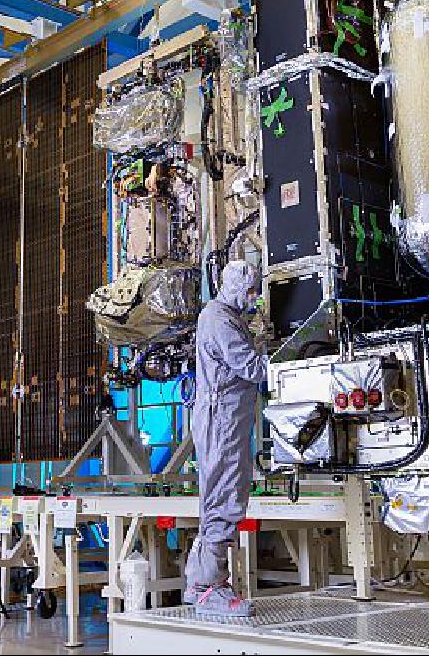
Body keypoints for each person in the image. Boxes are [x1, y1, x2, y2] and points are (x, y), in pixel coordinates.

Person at [184, 258, 267, 619]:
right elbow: (249, 366)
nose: (254, 298)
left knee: (218, 496)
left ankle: (198, 581)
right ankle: (210, 588)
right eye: (250, 291)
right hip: (223, 421)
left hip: (226, 419)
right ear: (233, 287)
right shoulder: (219, 318)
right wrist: (287, 364)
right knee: (225, 496)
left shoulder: (225, 317)